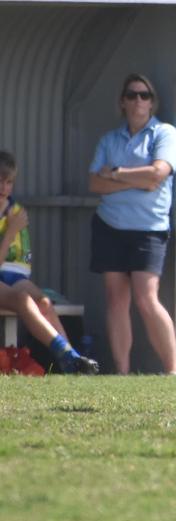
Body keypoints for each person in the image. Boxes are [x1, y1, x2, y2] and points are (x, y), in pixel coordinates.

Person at [88, 74, 176, 375]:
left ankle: (173, 370)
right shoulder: (108, 140)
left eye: (145, 95)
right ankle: (122, 372)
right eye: (132, 95)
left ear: (153, 102)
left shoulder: (165, 134)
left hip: (149, 229)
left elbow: (158, 174)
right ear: (122, 102)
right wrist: (134, 179)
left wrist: (114, 173)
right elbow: (94, 183)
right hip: (109, 226)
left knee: (146, 297)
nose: (138, 100)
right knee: (116, 299)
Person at [0, 151, 98, 374]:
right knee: (23, 299)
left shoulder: (14, 210)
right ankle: (68, 355)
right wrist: (10, 232)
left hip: (13, 277)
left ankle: (73, 364)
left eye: (9, 182)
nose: (4, 188)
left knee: (44, 302)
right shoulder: (13, 219)